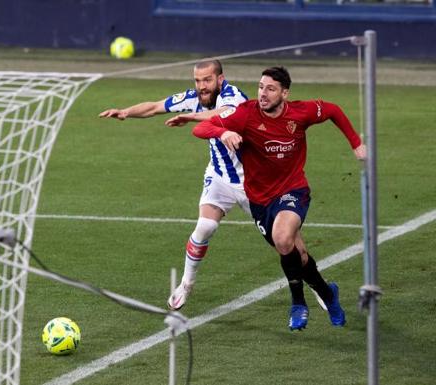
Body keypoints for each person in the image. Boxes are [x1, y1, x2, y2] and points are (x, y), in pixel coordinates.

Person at [192, 66, 367, 331]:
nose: (263, 93)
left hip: (293, 190)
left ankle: (298, 303)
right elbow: (202, 127)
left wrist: (356, 143)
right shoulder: (245, 114)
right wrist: (223, 132)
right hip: (260, 200)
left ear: (285, 93)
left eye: (270, 89)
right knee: (298, 255)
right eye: (261, 87)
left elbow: (332, 110)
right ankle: (329, 294)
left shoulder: (300, 112)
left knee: (283, 238)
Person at [99, 59, 249, 311]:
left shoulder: (234, 97)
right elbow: (156, 106)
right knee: (204, 227)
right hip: (220, 176)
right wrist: (126, 112)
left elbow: (221, 115)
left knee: (282, 241)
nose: (201, 86)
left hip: (251, 179)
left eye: (207, 80)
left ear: (220, 79)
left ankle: (315, 285)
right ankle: (186, 284)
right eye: (198, 80)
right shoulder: (194, 98)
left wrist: (190, 117)